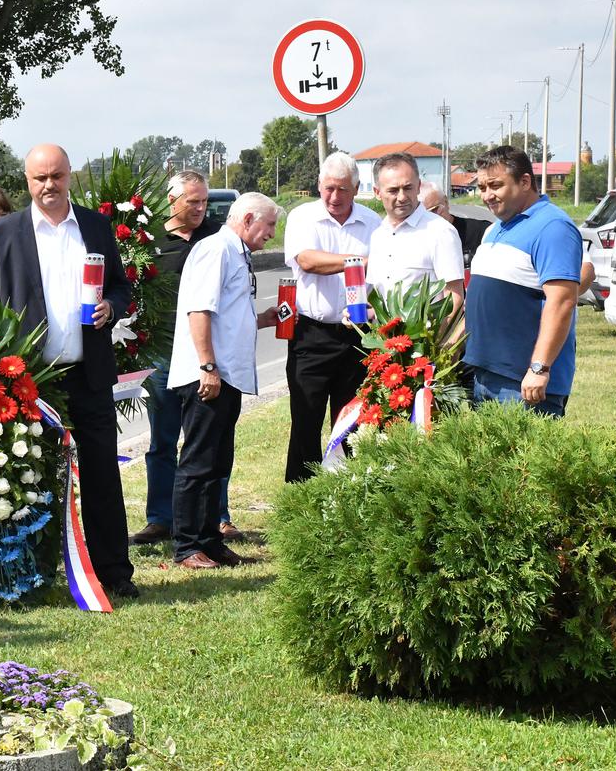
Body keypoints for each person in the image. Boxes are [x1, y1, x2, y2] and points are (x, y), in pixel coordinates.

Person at [0, 143, 139, 599]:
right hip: (31, 382)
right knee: (32, 475)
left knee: (103, 472)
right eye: (39, 178)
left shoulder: (95, 226)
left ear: (70, 175)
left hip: (89, 373)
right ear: (26, 181)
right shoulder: (2, 235)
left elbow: (122, 287)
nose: (49, 186)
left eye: (57, 176)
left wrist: (112, 305)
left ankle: (114, 573)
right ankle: (39, 573)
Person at [168, 193, 281, 568]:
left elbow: (230, 314)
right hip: (209, 375)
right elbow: (198, 309)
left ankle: (209, 540)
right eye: (269, 226)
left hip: (226, 375)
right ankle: (187, 546)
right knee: (199, 461)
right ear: (248, 219)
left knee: (217, 462)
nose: (271, 234)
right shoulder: (216, 249)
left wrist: (263, 318)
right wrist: (207, 366)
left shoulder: (235, 252)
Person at [133, 169, 226, 546]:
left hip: (204, 354)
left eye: (204, 201)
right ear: (172, 201)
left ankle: (218, 517)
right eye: (193, 201)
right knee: (162, 441)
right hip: (162, 354)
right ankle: (160, 518)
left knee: (208, 440)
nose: (201, 208)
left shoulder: (217, 237)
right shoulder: (149, 241)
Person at [281, 151, 382, 484]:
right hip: (312, 334)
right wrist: (359, 261)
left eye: (342, 189)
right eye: (328, 188)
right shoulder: (302, 217)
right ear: (318, 185)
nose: (334, 197)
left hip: (358, 333)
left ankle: (347, 494)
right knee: (305, 421)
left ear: (356, 189)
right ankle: (301, 498)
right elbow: (308, 261)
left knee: (352, 422)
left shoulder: (372, 223)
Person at [464, 146, 581, 417]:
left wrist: (539, 368)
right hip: (486, 374)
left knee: (522, 460)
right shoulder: (495, 229)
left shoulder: (553, 227)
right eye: (482, 187)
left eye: (495, 185)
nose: (487, 196)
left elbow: (562, 302)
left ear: (525, 181)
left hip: (524, 384)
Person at [366, 153, 464, 313]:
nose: (402, 197)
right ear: (377, 192)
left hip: (428, 337)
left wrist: (437, 337)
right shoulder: (378, 235)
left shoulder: (440, 231)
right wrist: (359, 314)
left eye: (408, 188)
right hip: (385, 337)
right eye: (393, 190)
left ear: (418, 186)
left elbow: (454, 297)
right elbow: (377, 297)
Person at [421, 182, 489, 272]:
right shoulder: (413, 243)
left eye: (435, 210)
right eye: (422, 215)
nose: (430, 217)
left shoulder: (482, 231)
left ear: (446, 202)